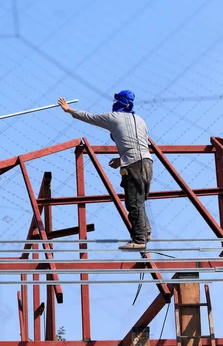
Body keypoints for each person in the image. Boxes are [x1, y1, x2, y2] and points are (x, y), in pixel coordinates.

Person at [58, 92, 153, 250]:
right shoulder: (141, 120)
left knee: (134, 202)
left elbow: (90, 117)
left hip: (133, 164)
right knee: (139, 199)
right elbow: (138, 144)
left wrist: (69, 110)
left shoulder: (114, 117)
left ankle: (139, 240)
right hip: (147, 162)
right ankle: (146, 232)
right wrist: (121, 159)